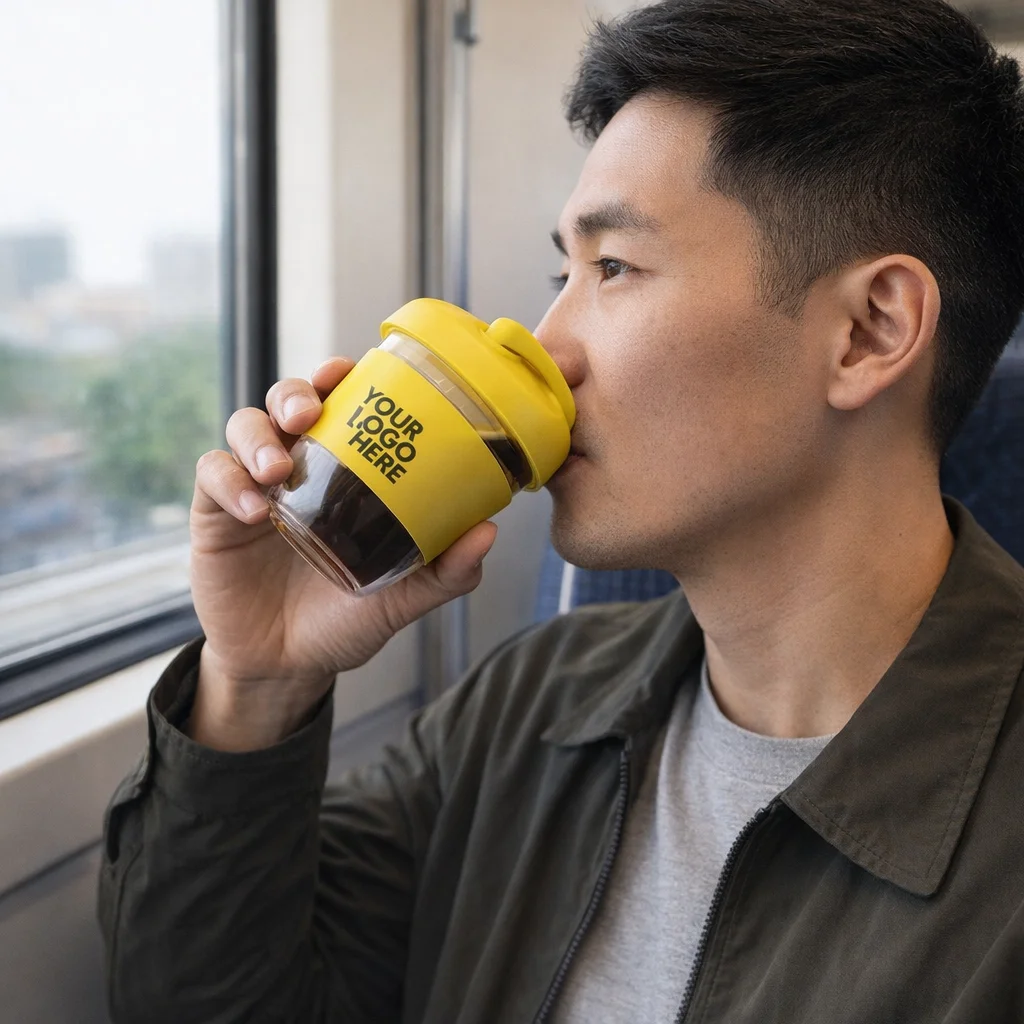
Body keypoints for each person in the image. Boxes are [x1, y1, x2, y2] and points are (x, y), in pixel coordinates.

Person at [99, 0, 1024, 1021]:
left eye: (613, 268)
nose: (542, 349)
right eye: (560, 273)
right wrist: (257, 679)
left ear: (866, 330)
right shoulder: (529, 706)